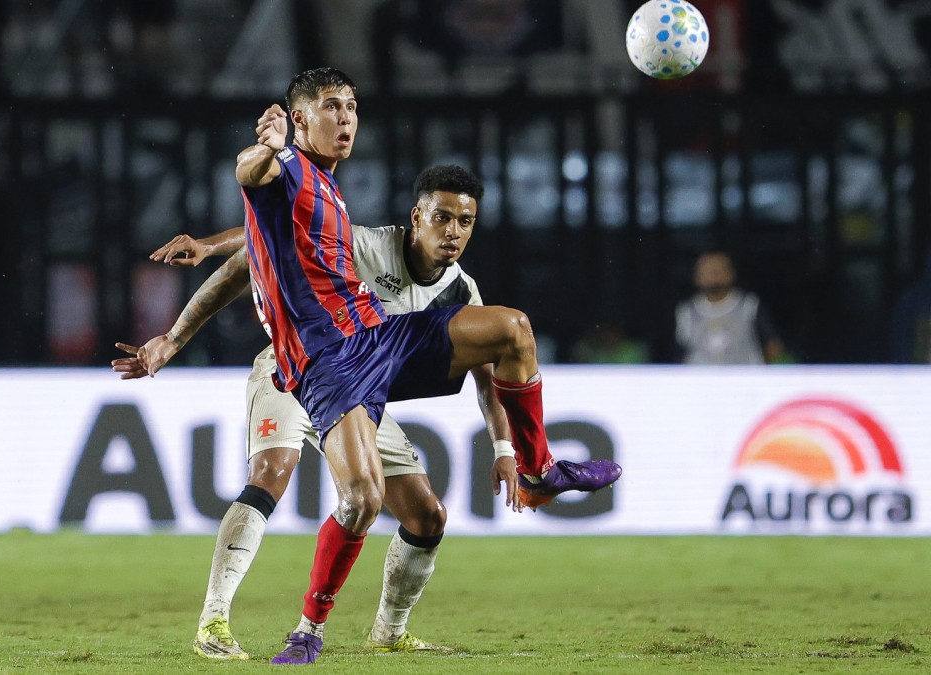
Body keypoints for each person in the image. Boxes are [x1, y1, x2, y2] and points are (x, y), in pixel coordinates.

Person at [133, 68, 619, 665]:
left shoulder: (337, 200)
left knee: (509, 332)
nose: (346, 118)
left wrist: (503, 450)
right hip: (315, 366)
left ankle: (537, 471)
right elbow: (249, 185)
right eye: (331, 106)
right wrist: (267, 150)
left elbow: (269, 242)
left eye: (353, 107)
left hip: (378, 345)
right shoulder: (291, 173)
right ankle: (253, 624)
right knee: (318, 487)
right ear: (302, 116)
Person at [115, 165, 519, 659]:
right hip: (292, 370)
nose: (453, 232)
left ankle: (389, 633)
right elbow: (268, 238)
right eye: (442, 217)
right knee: (270, 474)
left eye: (465, 221)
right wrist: (204, 257)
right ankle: (212, 623)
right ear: (418, 217)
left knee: (428, 515)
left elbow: (489, 378)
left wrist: (503, 448)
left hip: (355, 394)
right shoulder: (368, 245)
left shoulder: (462, 292)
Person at [675, 251, 786, 365]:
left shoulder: (749, 306)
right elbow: (680, 353)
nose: (713, 274)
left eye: (718, 270)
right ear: (697, 276)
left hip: (743, 378)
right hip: (701, 379)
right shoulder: (686, 311)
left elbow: (773, 347)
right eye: (708, 270)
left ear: (731, 273)